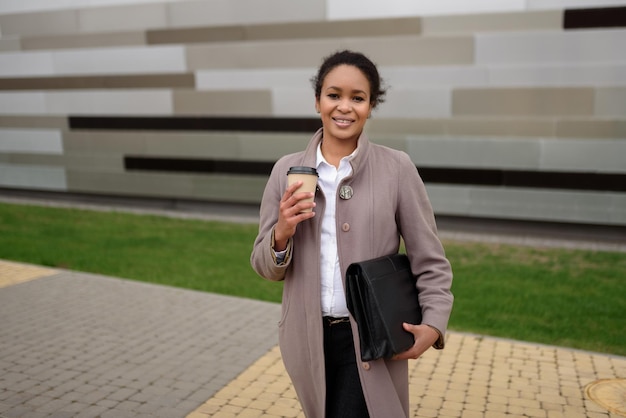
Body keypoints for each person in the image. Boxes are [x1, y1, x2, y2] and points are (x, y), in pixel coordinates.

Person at [250, 50, 453, 418]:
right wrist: (282, 231)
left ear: (371, 106)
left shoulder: (397, 168)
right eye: (334, 95)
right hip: (308, 340)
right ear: (317, 101)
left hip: (373, 338)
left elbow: (430, 260)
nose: (344, 107)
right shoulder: (286, 171)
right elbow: (266, 267)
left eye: (357, 98)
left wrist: (434, 323)